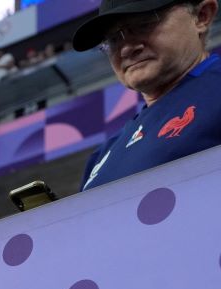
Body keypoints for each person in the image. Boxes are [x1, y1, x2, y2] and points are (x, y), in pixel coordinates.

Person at [76, 0, 220, 190]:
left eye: (143, 24)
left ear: (201, 16)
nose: (126, 49)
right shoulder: (101, 157)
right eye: (113, 39)